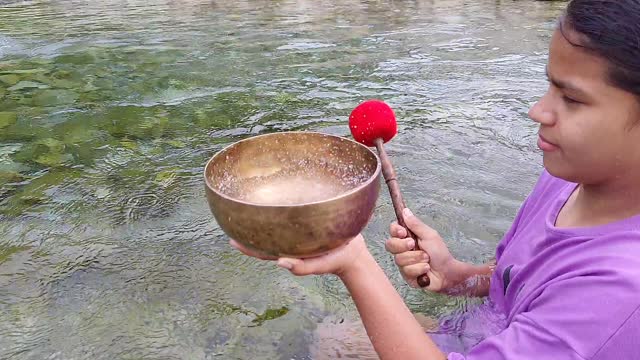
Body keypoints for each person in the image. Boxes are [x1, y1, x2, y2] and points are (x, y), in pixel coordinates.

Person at [230, 0, 640, 358]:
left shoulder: (622, 295)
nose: (538, 110)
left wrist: (355, 264)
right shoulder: (569, 178)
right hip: (485, 333)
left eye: (570, 99)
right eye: (549, 87)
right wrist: (456, 276)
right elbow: (512, 279)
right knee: (334, 340)